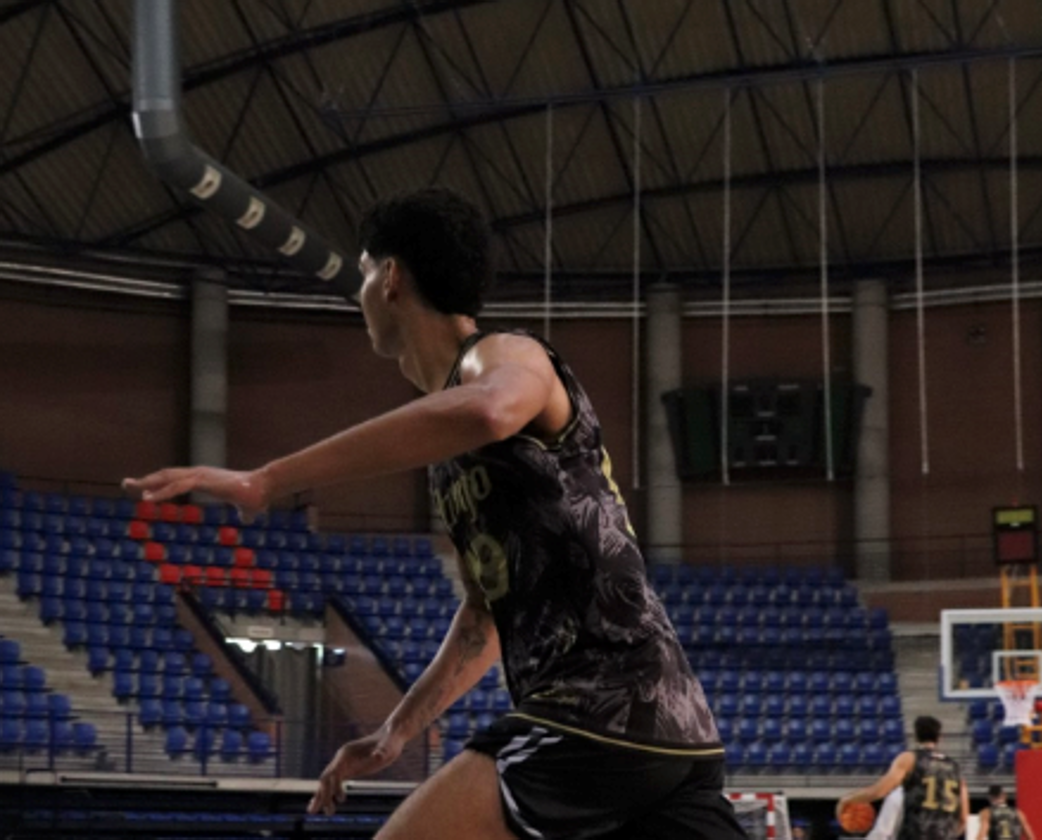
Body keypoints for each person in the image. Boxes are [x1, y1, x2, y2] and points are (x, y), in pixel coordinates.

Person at [124, 187, 746, 840]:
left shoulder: (504, 355)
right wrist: (395, 732)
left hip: (595, 715)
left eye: (364, 271)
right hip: (671, 737)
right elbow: (484, 616)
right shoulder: (457, 454)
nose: (363, 289)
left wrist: (266, 479)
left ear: (390, 277)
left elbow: (489, 408)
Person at [836, 716, 967, 840]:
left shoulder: (909, 759)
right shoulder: (955, 768)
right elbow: (963, 820)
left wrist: (847, 799)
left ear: (916, 736)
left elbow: (879, 791)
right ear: (939, 737)